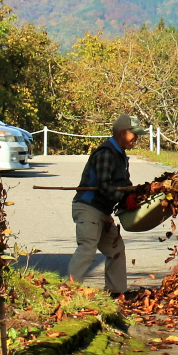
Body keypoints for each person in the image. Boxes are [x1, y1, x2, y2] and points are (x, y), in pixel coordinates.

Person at [70, 113, 158, 298]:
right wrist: (123, 198)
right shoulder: (106, 153)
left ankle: (116, 292)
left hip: (102, 211)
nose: (137, 139)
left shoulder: (121, 156)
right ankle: (68, 292)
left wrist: (138, 194)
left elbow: (124, 184)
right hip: (88, 207)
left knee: (116, 248)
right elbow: (103, 185)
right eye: (134, 134)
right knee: (87, 247)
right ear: (123, 133)